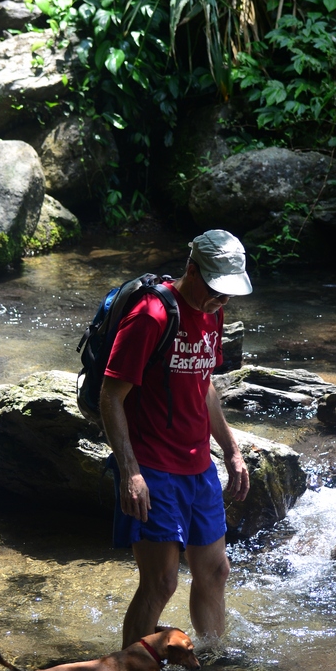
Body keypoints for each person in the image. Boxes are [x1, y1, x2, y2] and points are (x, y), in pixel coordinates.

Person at [99, 229, 252, 648]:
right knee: (161, 583)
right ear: (191, 269)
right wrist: (130, 472)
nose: (221, 301)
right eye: (215, 290)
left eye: (228, 294)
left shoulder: (214, 312)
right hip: (152, 464)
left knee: (216, 571)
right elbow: (111, 395)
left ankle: (212, 663)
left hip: (198, 465)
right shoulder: (152, 315)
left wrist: (232, 450)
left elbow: (203, 385)